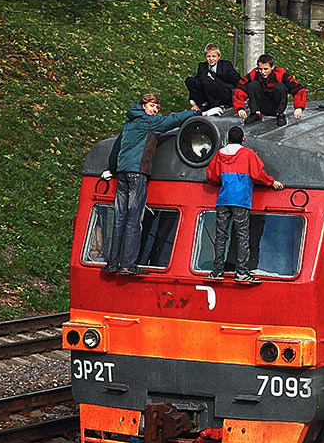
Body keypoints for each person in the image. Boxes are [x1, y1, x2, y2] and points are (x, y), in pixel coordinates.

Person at [104, 94, 194, 275]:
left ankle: (112, 263)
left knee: (119, 219)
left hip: (122, 174)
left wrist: (112, 169)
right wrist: (194, 113)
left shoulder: (129, 122)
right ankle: (128, 264)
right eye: (152, 106)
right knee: (134, 220)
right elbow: (173, 120)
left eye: (156, 108)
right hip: (137, 173)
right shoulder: (149, 122)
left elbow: (116, 148)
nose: (154, 110)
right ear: (143, 105)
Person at [205, 125, 284, 284]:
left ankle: (217, 271)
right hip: (241, 200)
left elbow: (212, 176)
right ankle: (241, 272)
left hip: (223, 199)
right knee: (242, 236)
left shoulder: (220, 154)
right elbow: (257, 174)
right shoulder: (248, 154)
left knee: (221, 236)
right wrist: (271, 182)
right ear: (243, 139)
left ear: (227, 139)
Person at [233, 54, 307, 126]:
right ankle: (255, 113)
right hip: (261, 104)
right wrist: (240, 108)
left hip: (275, 105)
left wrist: (299, 107)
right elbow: (240, 89)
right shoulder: (254, 74)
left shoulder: (280, 74)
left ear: (272, 67)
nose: (263, 72)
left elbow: (298, 89)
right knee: (253, 84)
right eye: (260, 69)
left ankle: (280, 115)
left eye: (266, 69)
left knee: (280, 86)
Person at [185, 43, 240, 116]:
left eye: (214, 56)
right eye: (208, 56)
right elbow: (197, 82)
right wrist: (193, 102)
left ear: (218, 57)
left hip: (223, 92)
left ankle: (214, 106)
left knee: (205, 79)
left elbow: (236, 79)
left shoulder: (226, 65)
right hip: (208, 90)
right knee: (191, 80)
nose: (211, 59)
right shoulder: (202, 66)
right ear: (205, 57)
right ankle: (201, 104)